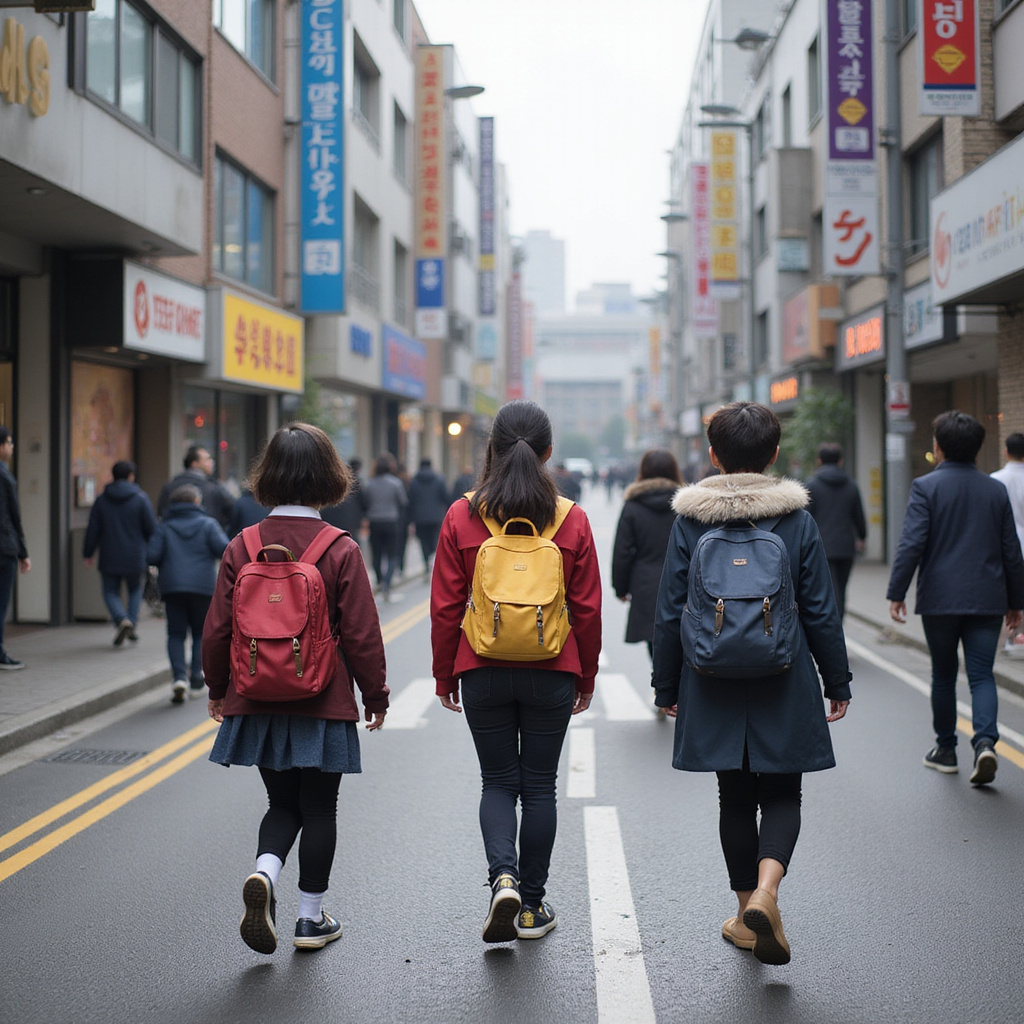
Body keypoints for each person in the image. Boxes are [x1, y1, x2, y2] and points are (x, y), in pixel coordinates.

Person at [652, 402, 851, 966]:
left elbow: (670, 612)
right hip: (784, 674)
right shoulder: (797, 519)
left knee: (733, 797)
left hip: (710, 676)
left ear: (713, 455)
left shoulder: (692, 520)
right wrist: (836, 678)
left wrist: (665, 684)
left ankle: (745, 914)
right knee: (783, 793)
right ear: (774, 455)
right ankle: (768, 892)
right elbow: (820, 609)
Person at [202, 422, 389, 955]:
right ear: (329, 474)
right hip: (323, 699)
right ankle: (310, 919)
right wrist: (374, 697)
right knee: (320, 808)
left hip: (257, 695)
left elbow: (217, 628)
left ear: (269, 476)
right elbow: (361, 634)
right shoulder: (339, 548)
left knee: (280, 803)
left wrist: (219, 688)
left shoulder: (243, 545)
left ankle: (265, 872)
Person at [431, 400, 602, 944]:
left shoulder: (462, 515)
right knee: (541, 788)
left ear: (492, 449)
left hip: (481, 668)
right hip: (553, 668)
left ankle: (501, 877)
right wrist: (587, 675)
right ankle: (531, 906)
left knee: (497, 783)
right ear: (548, 452)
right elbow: (589, 609)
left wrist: (443, 674)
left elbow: (443, 607)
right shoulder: (570, 517)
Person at [887, 410, 1024, 786]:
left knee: (944, 675)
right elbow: (1011, 550)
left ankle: (946, 750)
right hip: (988, 597)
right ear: (978, 449)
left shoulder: (926, 487)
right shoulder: (994, 490)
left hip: (940, 599)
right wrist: (1017, 602)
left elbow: (912, 543)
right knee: (982, 675)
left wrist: (897, 592)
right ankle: (984, 744)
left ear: (938, 447)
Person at [148, 485, 229, 703]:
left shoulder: (165, 526)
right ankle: (195, 678)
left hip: (172, 587)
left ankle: (178, 678)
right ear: (196, 502)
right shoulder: (208, 524)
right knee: (200, 633)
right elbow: (225, 549)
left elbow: (152, 555)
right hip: (202, 587)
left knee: (175, 633)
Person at [611, 448, 682, 668]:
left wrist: (620, 588)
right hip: (680, 580)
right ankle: (677, 690)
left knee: (654, 639)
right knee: (682, 636)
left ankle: (662, 690)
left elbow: (622, 551)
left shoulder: (633, 505)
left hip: (645, 583)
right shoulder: (684, 505)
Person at [82, 460, 157, 646]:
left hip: (109, 554)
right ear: (131, 476)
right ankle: (130, 621)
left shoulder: (101, 499)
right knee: (134, 590)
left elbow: (93, 529)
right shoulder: (140, 498)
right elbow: (152, 528)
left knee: (110, 591)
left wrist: (88, 553)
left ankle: (121, 619)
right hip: (135, 555)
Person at [804, 442, 867, 619]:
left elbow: (805, 517)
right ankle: (838, 619)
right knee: (841, 586)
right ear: (840, 461)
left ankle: (830, 622)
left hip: (821, 545)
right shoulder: (851, 485)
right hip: (846, 545)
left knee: (827, 588)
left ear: (819, 461)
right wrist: (862, 536)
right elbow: (859, 515)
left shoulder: (812, 486)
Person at [990, 433, 1024, 652]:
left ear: (1005, 451)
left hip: (1006, 546)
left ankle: (1012, 639)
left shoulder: (995, 480)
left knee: (1010, 595)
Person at [0, 426, 29, 670]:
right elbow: (13, 516)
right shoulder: (5, 476)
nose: (11, 448)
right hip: (4, 548)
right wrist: (23, 552)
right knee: (1, 603)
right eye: (9, 443)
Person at [359, 452, 407, 601]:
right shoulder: (396, 483)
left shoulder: (369, 483)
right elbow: (403, 502)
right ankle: (387, 583)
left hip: (374, 522)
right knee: (392, 554)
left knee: (376, 554)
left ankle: (380, 581)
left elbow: (365, 503)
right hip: (391, 521)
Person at [157, 445, 235, 532]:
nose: (212, 462)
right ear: (194, 464)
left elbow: (161, 516)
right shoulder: (213, 487)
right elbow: (233, 509)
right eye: (207, 459)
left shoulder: (169, 486)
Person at [406, 457, 450, 573]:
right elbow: (446, 498)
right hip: (436, 516)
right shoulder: (439, 480)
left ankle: (426, 562)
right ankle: (432, 559)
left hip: (419, 518)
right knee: (434, 539)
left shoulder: (414, 482)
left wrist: (410, 519)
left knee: (423, 541)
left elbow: (410, 500)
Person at [321, 458, 364, 543]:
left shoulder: (325, 482)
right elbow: (362, 501)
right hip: (349, 517)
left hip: (331, 517)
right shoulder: (355, 482)